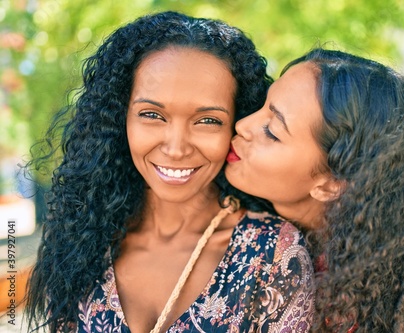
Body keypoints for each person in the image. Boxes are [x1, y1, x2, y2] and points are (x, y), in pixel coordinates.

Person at [25, 11, 315, 333]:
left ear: (236, 122)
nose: (177, 148)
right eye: (152, 114)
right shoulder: (83, 237)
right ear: (120, 118)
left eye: (207, 120)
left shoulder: (272, 255)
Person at [225, 48, 404, 332]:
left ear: (331, 184)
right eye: (262, 105)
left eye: (272, 131)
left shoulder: (341, 308)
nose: (242, 125)